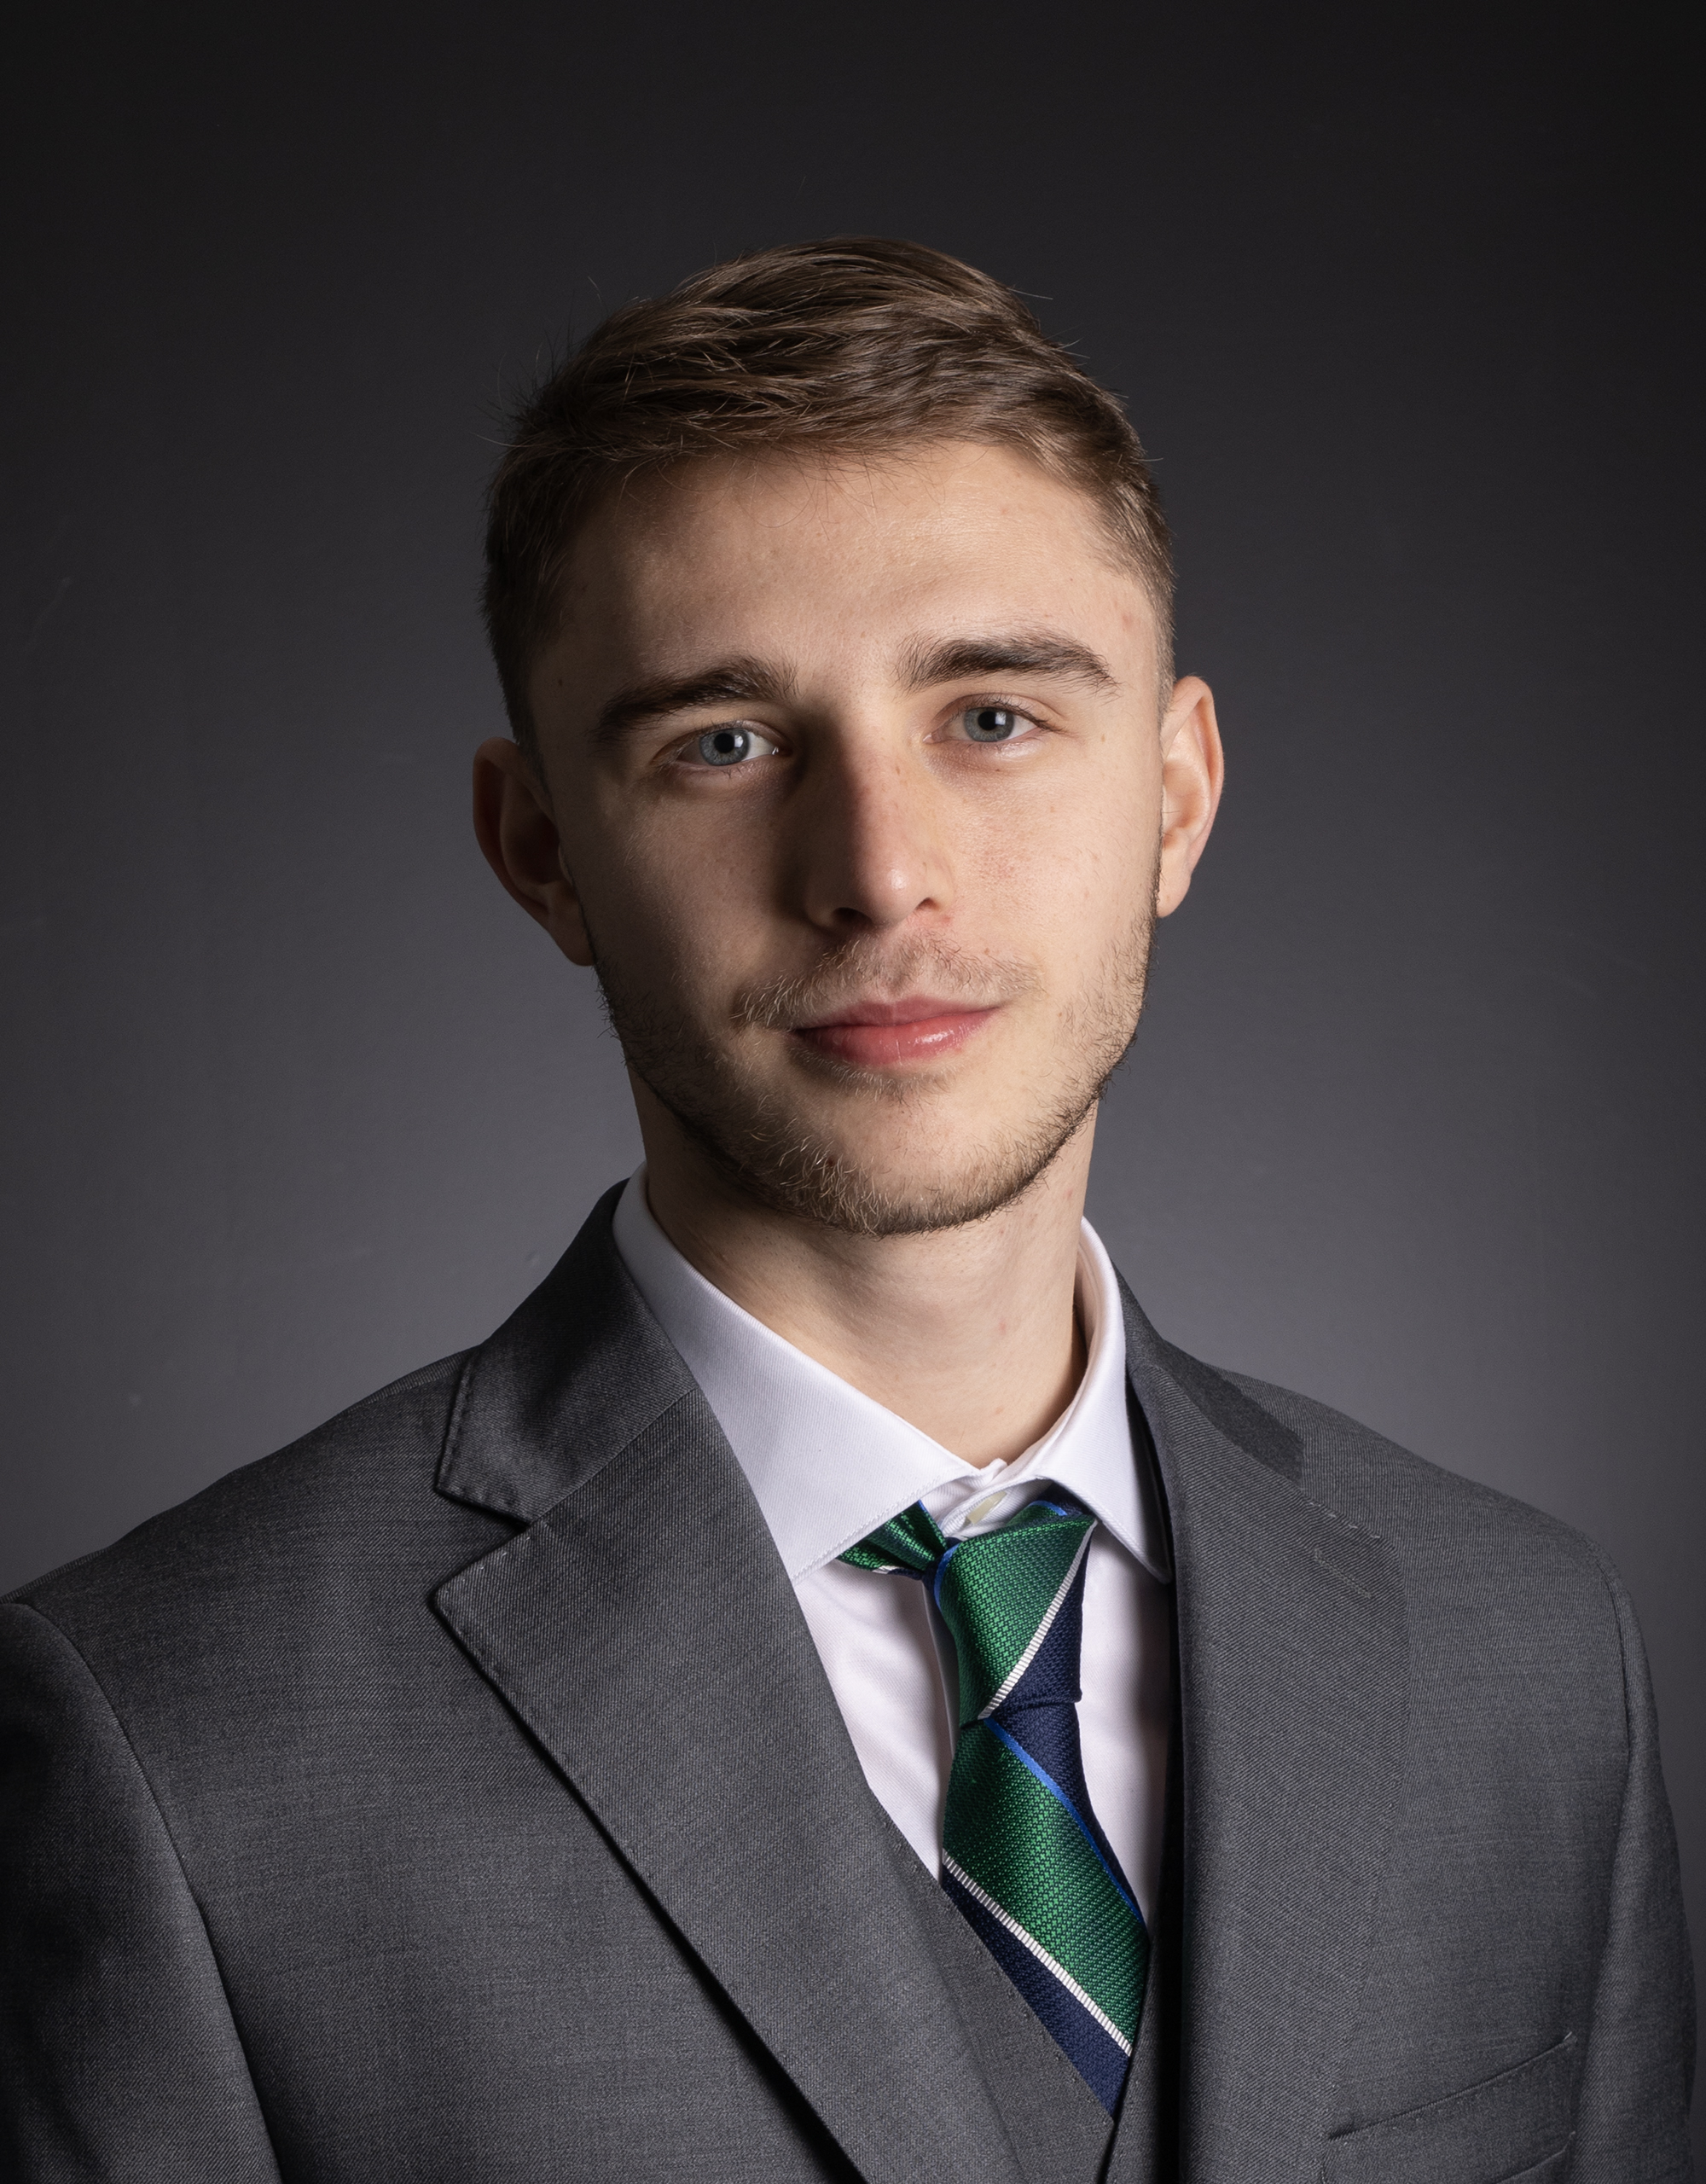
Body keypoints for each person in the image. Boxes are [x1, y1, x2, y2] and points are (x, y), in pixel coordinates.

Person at [1, 237, 1693, 2183]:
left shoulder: (1529, 1649)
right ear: (539, 845)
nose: (880, 871)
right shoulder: (156, 1741)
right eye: (723, 744)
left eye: (991, 715)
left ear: (1174, 794)